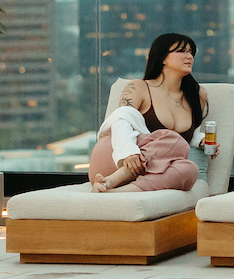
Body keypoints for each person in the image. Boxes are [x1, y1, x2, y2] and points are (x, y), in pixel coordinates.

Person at [87, 32, 214, 193]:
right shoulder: (139, 87)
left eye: (191, 52)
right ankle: (114, 179)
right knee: (173, 139)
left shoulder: (197, 95)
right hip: (116, 160)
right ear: (162, 58)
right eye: (181, 51)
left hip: (150, 171)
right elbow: (121, 120)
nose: (189, 56)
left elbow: (189, 135)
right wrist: (129, 153)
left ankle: (114, 192)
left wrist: (201, 140)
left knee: (189, 169)